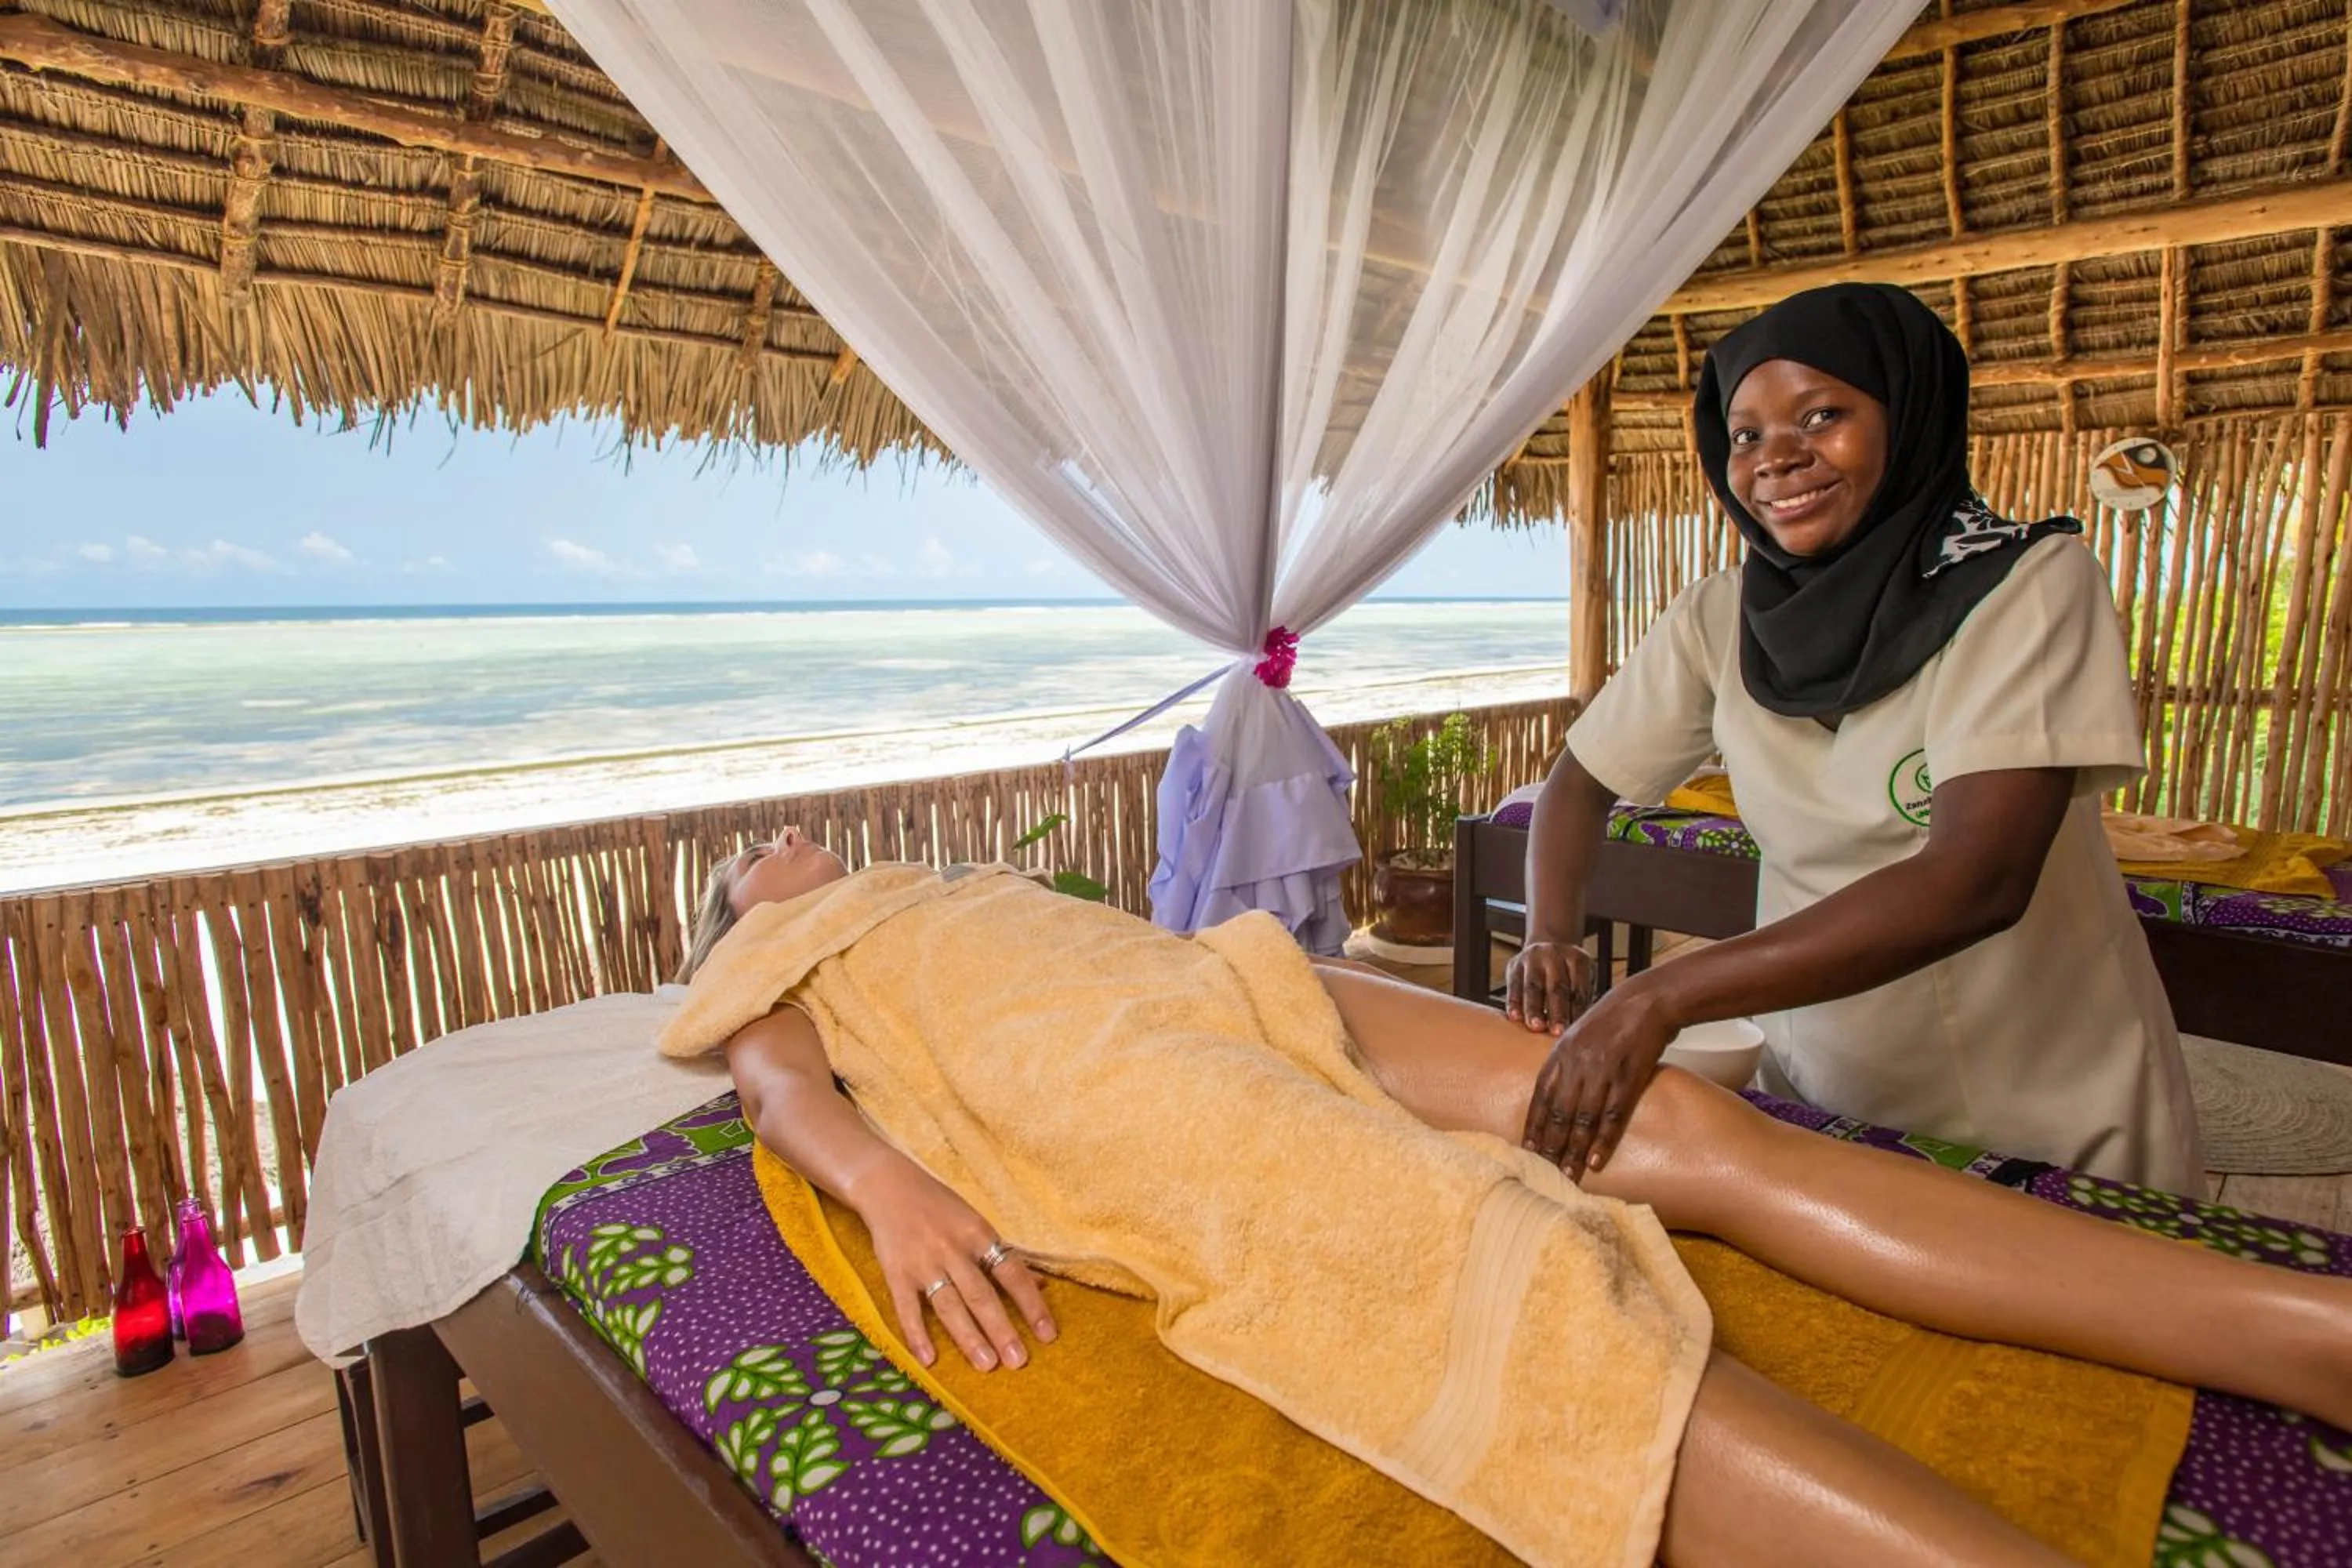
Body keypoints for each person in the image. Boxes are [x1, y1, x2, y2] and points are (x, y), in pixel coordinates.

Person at [690, 830, 2350, 1568]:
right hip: (1117, 1086)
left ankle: (2313, 1331)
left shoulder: (953, 879)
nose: (788, 838)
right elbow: (780, 1086)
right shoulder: (777, 957)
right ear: (738, 911)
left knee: (1671, 1115)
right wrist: (885, 1178)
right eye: (755, 848)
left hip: (1243, 984)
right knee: (1484, 1248)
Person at [1505, 282, 2200, 1192]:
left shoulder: (2025, 585)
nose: (1776, 458)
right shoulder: (1721, 618)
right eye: (1745, 433)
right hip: (1824, 1085)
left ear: (1909, 417)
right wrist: (1549, 935)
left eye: (1823, 415)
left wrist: (1660, 992)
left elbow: (1975, 881)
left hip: (2044, 1100)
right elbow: (1580, 782)